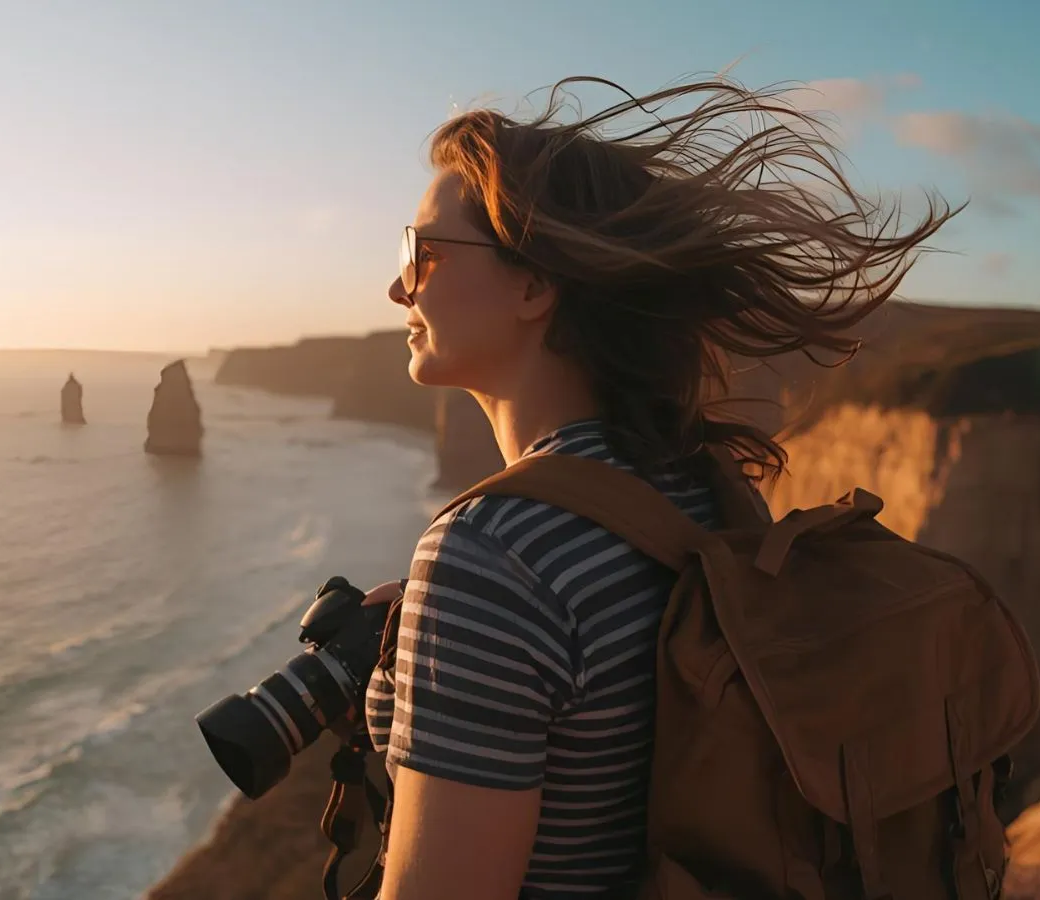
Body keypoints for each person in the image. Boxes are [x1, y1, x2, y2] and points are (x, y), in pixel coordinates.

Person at [357, 75, 960, 900]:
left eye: (419, 252)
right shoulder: (700, 489)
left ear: (535, 284)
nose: (399, 287)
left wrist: (467, 614)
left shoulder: (494, 557)